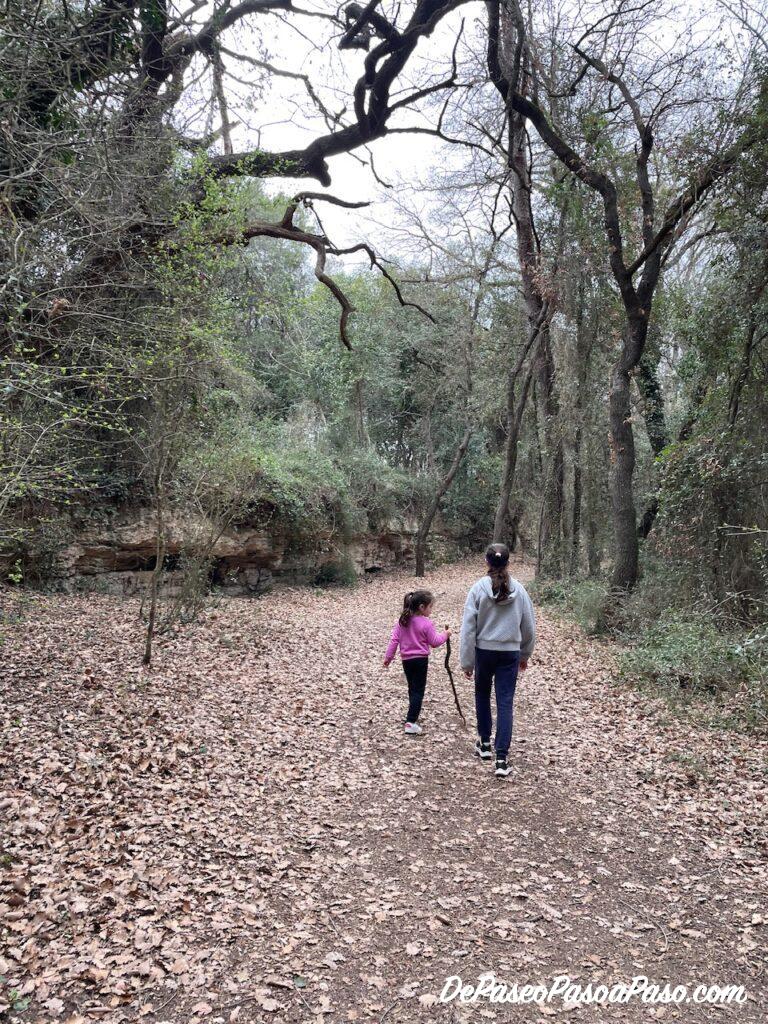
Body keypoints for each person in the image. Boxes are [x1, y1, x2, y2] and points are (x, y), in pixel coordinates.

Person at [459, 543, 536, 778]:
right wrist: (524, 654)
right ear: (508, 563)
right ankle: (501, 758)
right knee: (505, 702)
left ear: (486, 562)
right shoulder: (520, 591)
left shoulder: (477, 589)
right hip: (509, 654)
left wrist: (467, 661)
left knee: (482, 694)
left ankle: (484, 744)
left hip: (484, 652)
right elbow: (529, 627)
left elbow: (468, 629)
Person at [384, 590, 450, 735]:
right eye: (430, 607)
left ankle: (411, 714)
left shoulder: (402, 621)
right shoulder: (426, 623)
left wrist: (388, 658)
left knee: (412, 688)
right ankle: (411, 721)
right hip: (420, 660)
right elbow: (434, 642)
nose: (431, 610)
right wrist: (445, 634)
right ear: (421, 607)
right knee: (418, 691)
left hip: (406, 660)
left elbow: (394, 640)